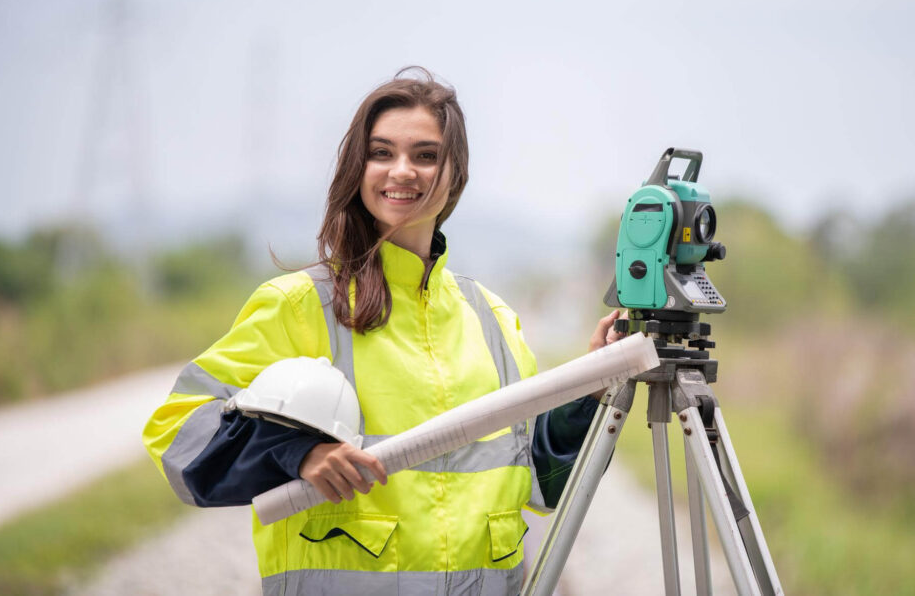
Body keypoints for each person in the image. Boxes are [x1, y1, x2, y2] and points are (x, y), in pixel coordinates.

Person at [143, 67, 622, 596]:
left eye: (425, 155)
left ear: (454, 174)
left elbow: (535, 473)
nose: (402, 171)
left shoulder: (491, 316)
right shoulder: (302, 305)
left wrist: (593, 387)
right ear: (358, 168)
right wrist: (297, 452)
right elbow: (176, 430)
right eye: (381, 152)